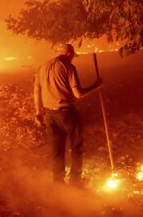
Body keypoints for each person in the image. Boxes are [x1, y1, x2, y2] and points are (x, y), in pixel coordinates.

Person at [34, 43, 102, 187]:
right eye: (72, 57)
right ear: (68, 54)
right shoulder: (68, 67)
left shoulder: (42, 66)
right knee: (77, 145)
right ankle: (75, 180)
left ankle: (58, 182)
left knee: (56, 149)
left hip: (48, 114)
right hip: (66, 113)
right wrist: (96, 85)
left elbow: (36, 91)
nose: (72, 59)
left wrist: (38, 113)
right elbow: (78, 94)